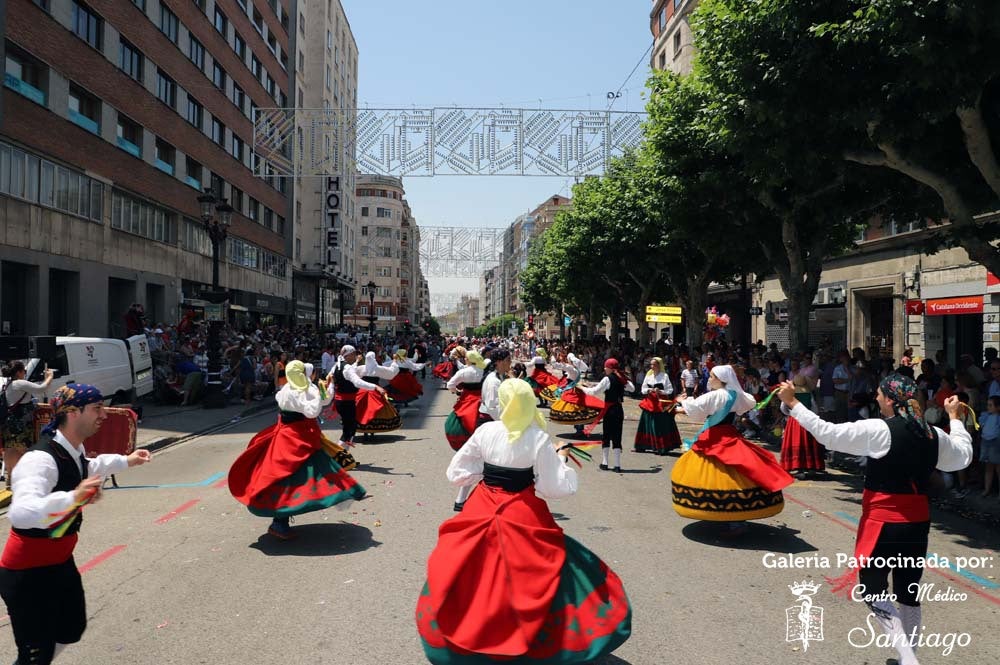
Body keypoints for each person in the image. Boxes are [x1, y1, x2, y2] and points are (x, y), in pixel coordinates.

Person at [416, 380, 631, 664]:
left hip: (483, 505)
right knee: (536, 572)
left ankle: (467, 636)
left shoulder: (486, 431)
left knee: (467, 568)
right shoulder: (538, 437)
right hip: (522, 508)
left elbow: (457, 472)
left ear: (503, 404)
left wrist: (491, 470)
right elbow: (556, 488)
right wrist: (562, 457)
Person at [777, 374, 972, 665]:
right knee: (908, 590)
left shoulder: (880, 429)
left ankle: (908, 658)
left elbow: (828, 434)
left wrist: (792, 402)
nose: (877, 398)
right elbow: (963, 457)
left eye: (880, 394)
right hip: (917, 523)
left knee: (873, 590)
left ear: (891, 399)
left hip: (884, 522)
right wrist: (955, 418)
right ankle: (909, 656)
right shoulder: (933, 434)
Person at [0, 384, 151, 664]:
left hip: (59, 563)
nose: (104, 415)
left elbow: (87, 467)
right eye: (96, 408)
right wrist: (73, 497)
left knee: (71, 629)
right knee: (35, 654)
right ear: (72, 412)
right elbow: (20, 512)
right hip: (28, 574)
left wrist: (126, 461)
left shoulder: (72, 449)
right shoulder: (39, 460)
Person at [228, 361, 366, 540]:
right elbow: (312, 412)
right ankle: (281, 521)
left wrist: (324, 389)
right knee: (312, 472)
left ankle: (280, 521)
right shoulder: (304, 390)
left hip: (285, 436)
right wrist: (318, 390)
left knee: (283, 476)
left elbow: (317, 402)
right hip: (299, 438)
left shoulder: (285, 389)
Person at [670, 365, 793, 534]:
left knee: (713, 473)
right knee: (738, 472)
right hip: (730, 433)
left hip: (714, 437)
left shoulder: (716, 395)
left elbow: (696, 410)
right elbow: (748, 404)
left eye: (712, 376)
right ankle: (737, 517)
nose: (710, 379)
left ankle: (716, 510)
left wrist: (679, 402)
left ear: (721, 379)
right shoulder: (736, 394)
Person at [446, 351, 490, 511]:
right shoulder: (484, 370)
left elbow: (450, 384)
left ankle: (462, 499)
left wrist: (457, 392)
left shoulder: (464, 371)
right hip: (481, 404)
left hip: (465, 402)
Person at [2, 361, 55, 490]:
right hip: (21, 422)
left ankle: (11, 477)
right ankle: (23, 478)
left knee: (10, 448)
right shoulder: (19, 383)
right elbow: (42, 388)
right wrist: (50, 377)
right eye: (24, 371)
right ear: (19, 372)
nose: (25, 374)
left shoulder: (8, 384)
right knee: (24, 450)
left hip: (9, 421)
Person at [328, 346, 387, 450]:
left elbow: (331, 376)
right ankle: (338, 454)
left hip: (341, 401)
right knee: (349, 430)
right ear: (349, 355)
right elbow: (357, 382)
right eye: (354, 353)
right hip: (346, 402)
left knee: (350, 428)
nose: (355, 356)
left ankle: (345, 455)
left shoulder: (337, 365)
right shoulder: (346, 367)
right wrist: (375, 387)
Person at [582, 359, 634, 472]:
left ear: (610, 368)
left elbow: (594, 392)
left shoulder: (607, 378)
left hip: (609, 410)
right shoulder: (622, 378)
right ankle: (617, 465)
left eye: (606, 367)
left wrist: (582, 388)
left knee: (606, 434)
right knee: (617, 435)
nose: (604, 369)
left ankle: (605, 463)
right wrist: (624, 380)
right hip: (619, 410)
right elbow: (632, 389)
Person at [779, 372, 825, 477]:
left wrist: (790, 414)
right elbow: (815, 408)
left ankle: (799, 468)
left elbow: (783, 408)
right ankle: (811, 467)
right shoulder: (809, 394)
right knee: (808, 442)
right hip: (807, 420)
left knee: (796, 441)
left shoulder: (791, 394)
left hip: (794, 420)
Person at [634, 357, 681, 456]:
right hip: (650, 402)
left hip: (661, 403)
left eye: (654, 365)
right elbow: (643, 389)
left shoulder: (664, 376)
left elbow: (670, 390)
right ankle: (645, 445)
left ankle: (662, 446)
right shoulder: (649, 376)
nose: (652, 367)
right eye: (651, 365)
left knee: (660, 426)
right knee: (646, 424)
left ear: (659, 365)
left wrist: (660, 391)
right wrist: (649, 390)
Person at [355, 353, 402, 438]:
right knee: (376, 410)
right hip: (375, 391)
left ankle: (365, 431)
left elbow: (351, 372)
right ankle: (372, 431)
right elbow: (391, 372)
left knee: (362, 409)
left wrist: (357, 361)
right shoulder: (377, 369)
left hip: (363, 391)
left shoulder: (362, 368)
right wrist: (394, 360)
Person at [980, 396, 1000, 497]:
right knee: (988, 468)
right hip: (986, 442)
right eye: (988, 405)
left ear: (998, 407)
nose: (988, 407)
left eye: (990, 405)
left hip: (996, 444)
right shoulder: (986, 416)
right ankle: (987, 489)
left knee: (998, 468)